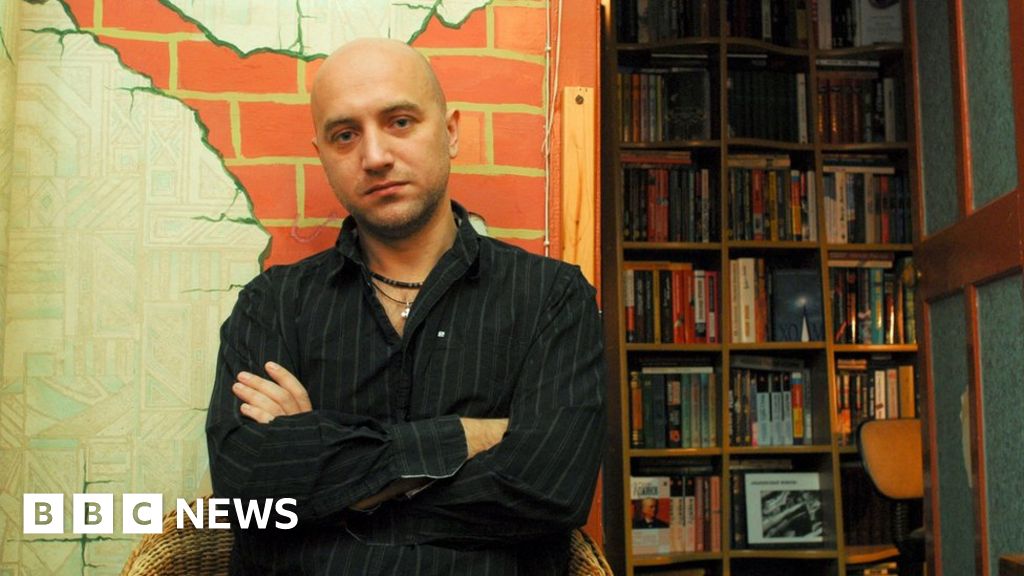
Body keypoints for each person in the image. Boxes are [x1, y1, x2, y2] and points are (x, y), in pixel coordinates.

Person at [205, 37, 606, 575]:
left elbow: (549, 489)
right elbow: (246, 492)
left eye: (399, 122)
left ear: (450, 131)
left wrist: (324, 474)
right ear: (322, 154)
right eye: (345, 135)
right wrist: (466, 436)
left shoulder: (551, 297)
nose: (375, 157)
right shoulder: (272, 304)